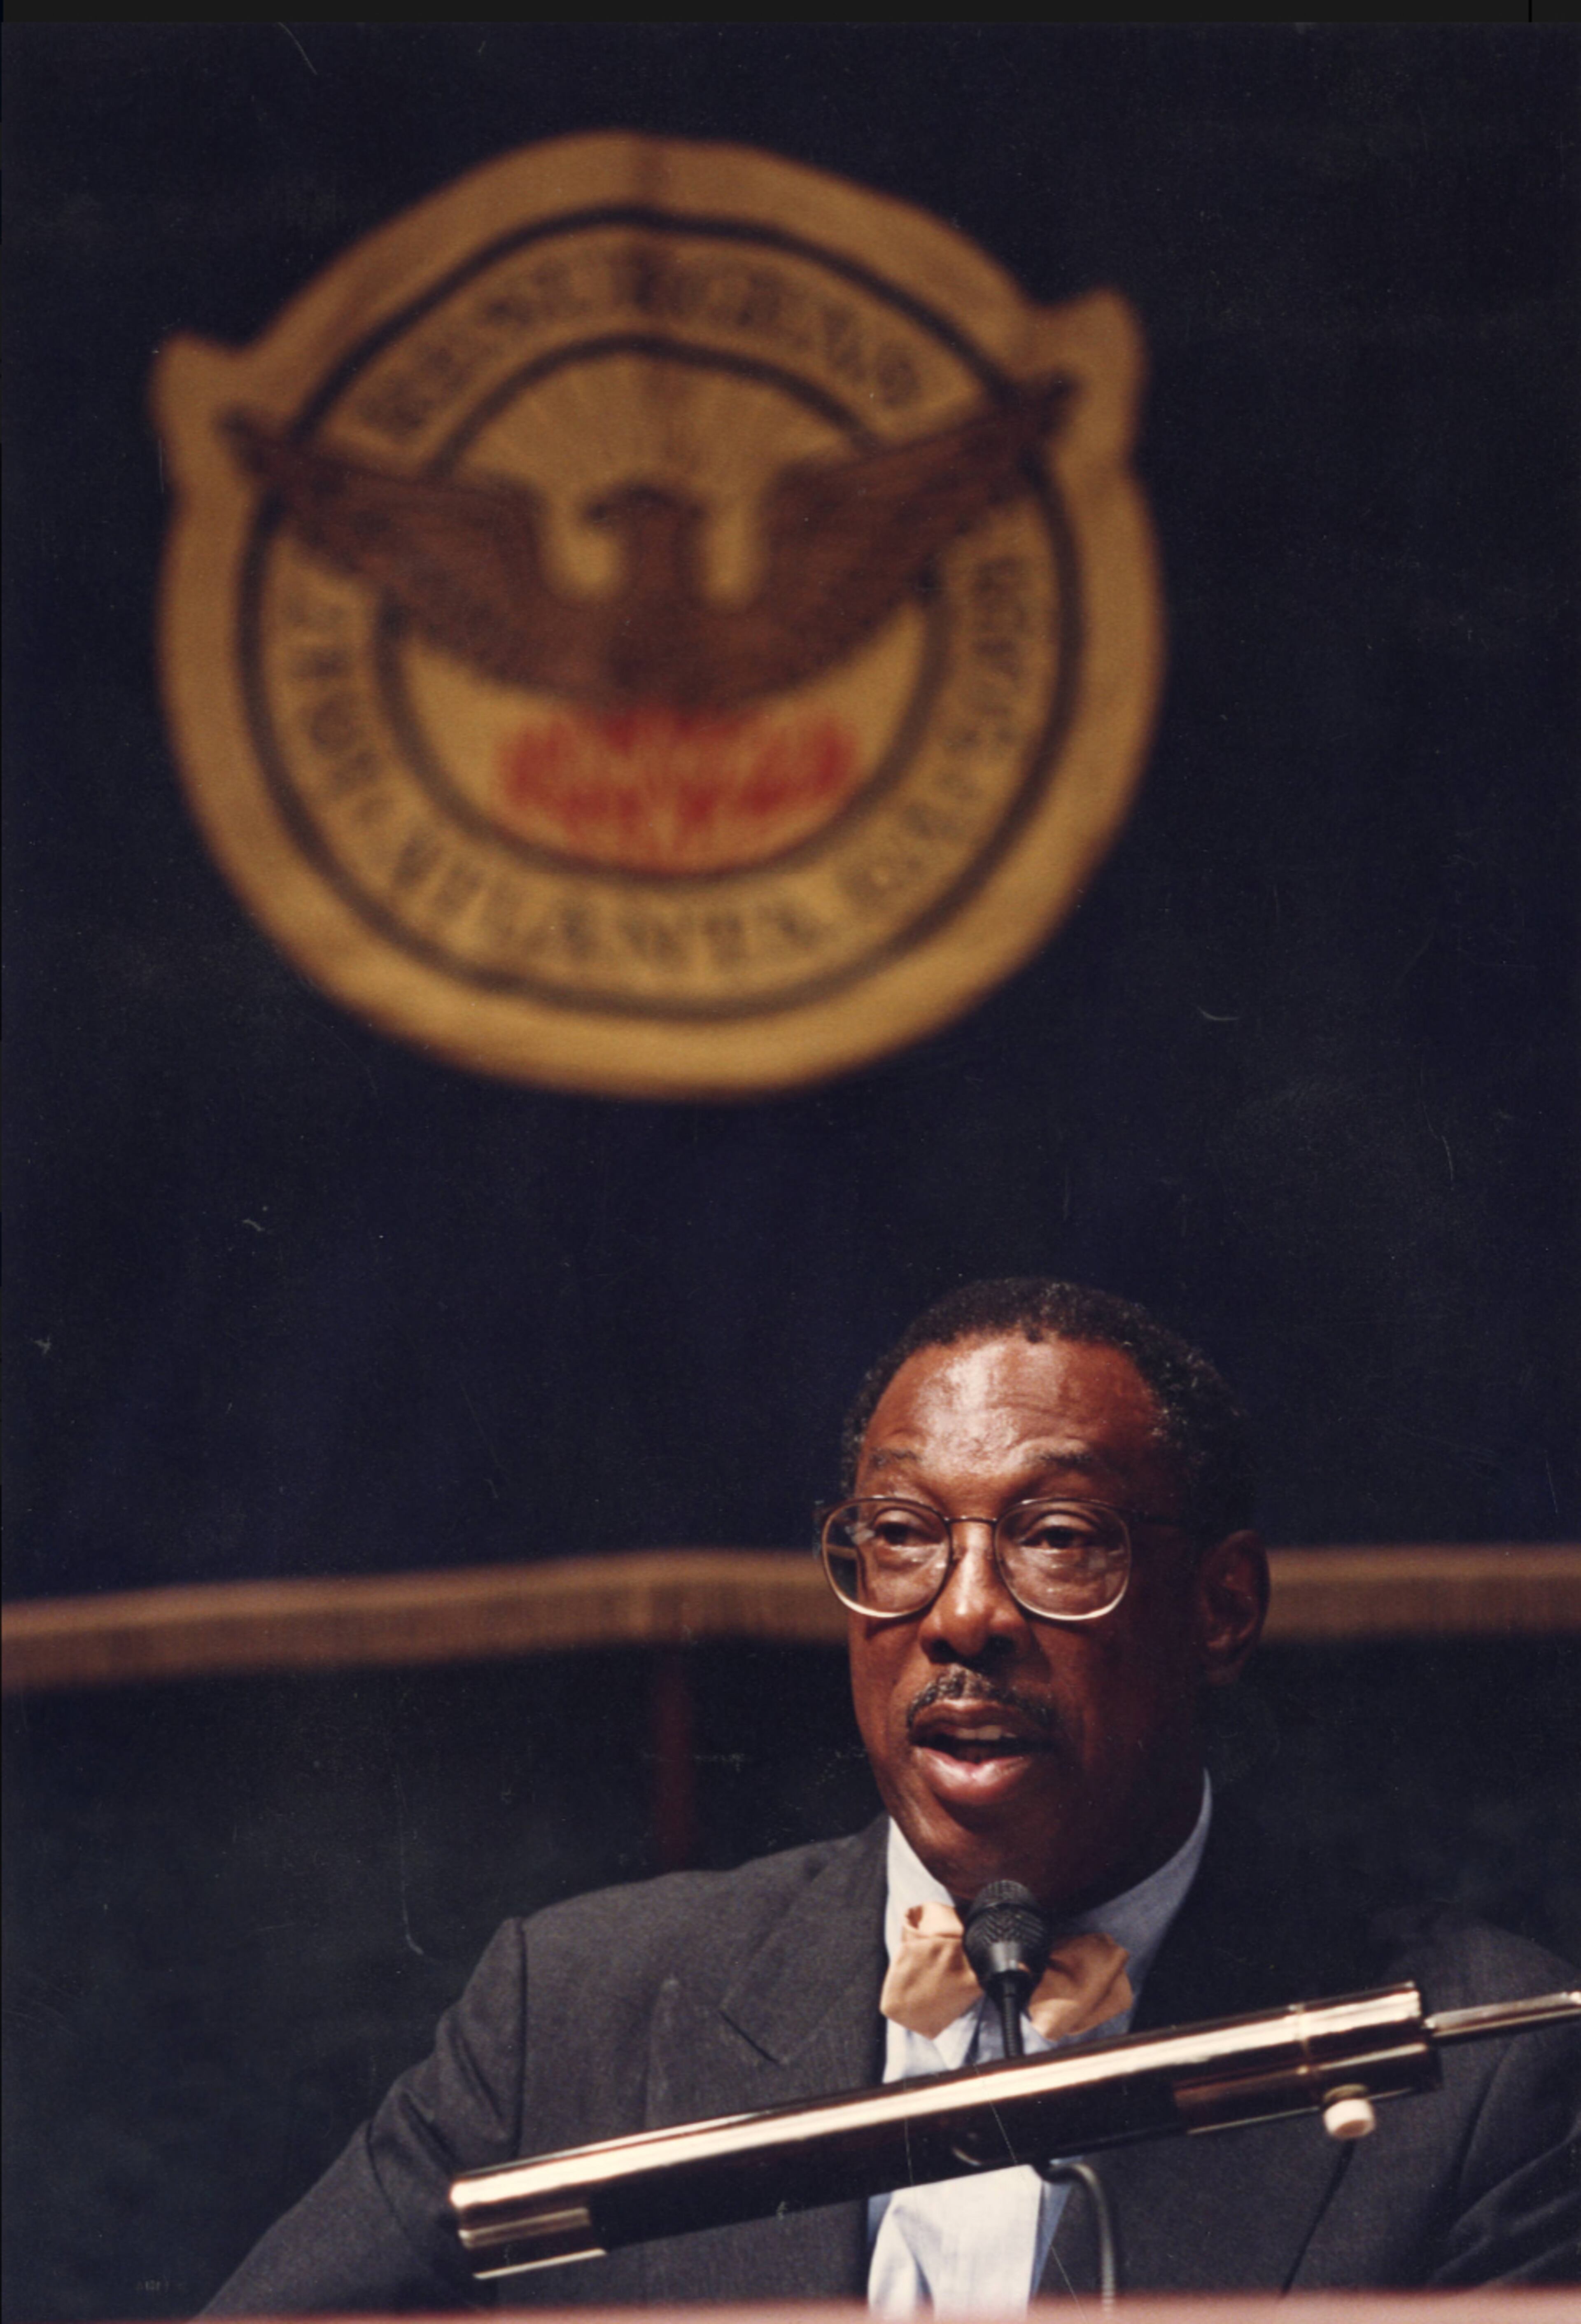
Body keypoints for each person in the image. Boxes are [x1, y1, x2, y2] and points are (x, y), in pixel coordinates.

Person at [205, 1280, 1580, 2312]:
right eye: (903, 1537)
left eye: (1054, 1538)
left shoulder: (1474, 2070)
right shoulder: (569, 2014)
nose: (962, 1615)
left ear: (1222, 1608)